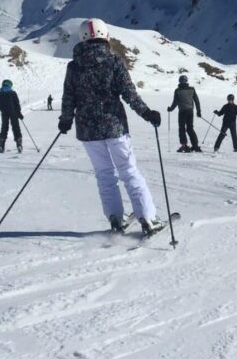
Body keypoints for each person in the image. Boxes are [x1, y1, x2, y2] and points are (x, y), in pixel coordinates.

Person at [58, 18, 165, 237]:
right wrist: (146, 113)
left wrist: (66, 119)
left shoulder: (74, 66)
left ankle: (115, 218)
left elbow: (69, 96)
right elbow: (128, 93)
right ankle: (148, 218)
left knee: (104, 174)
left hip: (88, 130)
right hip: (114, 126)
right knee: (128, 170)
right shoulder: (114, 61)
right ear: (105, 35)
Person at [168, 74, 202, 152]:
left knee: (182, 128)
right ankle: (195, 145)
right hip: (190, 111)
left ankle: (184, 146)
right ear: (186, 81)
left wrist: (170, 109)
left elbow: (175, 102)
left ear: (179, 81)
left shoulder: (177, 90)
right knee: (190, 128)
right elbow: (197, 101)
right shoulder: (192, 89)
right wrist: (198, 111)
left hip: (182, 112)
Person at [0, 79, 23, 154]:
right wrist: (19, 113)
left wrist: (2, 109)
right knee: (16, 127)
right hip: (14, 113)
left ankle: (1, 145)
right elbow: (17, 104)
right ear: (10, 85)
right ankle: (19, 144)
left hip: (4, 113)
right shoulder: (13, 93)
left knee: (4, 128)